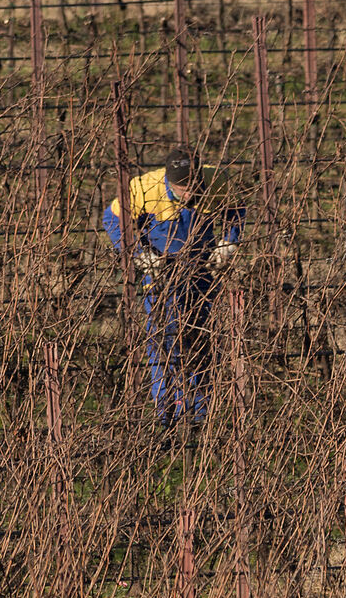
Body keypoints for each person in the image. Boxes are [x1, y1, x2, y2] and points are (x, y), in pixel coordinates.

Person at [102, 148, 242, 426]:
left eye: (193, 186)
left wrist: (229, 242)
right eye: (181, 188)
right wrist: (139, 255)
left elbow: (236, 210)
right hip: (160, 276)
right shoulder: (143, 188)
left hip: (201, 271)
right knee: (163, 343)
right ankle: (167, 417)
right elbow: (112, 219)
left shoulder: (217, 181)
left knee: (200, 340)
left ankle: (200, 416)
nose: (188, 193)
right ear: (169, 180)